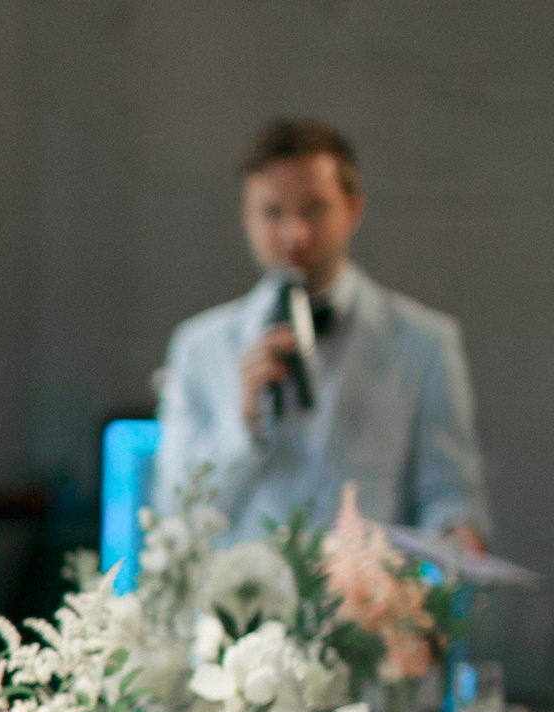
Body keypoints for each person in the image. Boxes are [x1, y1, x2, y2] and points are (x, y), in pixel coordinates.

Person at [157, 116, 488, 548]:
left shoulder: (424, 342)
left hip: (364, 607)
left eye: (314, 208)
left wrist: (456, 536)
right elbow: (173, 511)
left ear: (353, 208)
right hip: (238, 608)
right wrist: (243, 424)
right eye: (273, 212)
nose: (296, 234)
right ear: (247, 218)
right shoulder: (198, 347)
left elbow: (450, 496)